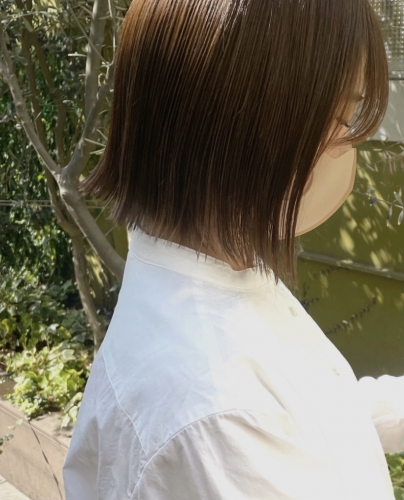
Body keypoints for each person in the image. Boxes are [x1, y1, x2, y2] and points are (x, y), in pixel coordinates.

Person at [63, 0, 404, 498]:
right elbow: (255, 417)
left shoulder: (216, 273)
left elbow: (313, 413)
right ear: (251, 122)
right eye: (342, 115)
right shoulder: (215, 413)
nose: (349, 143)